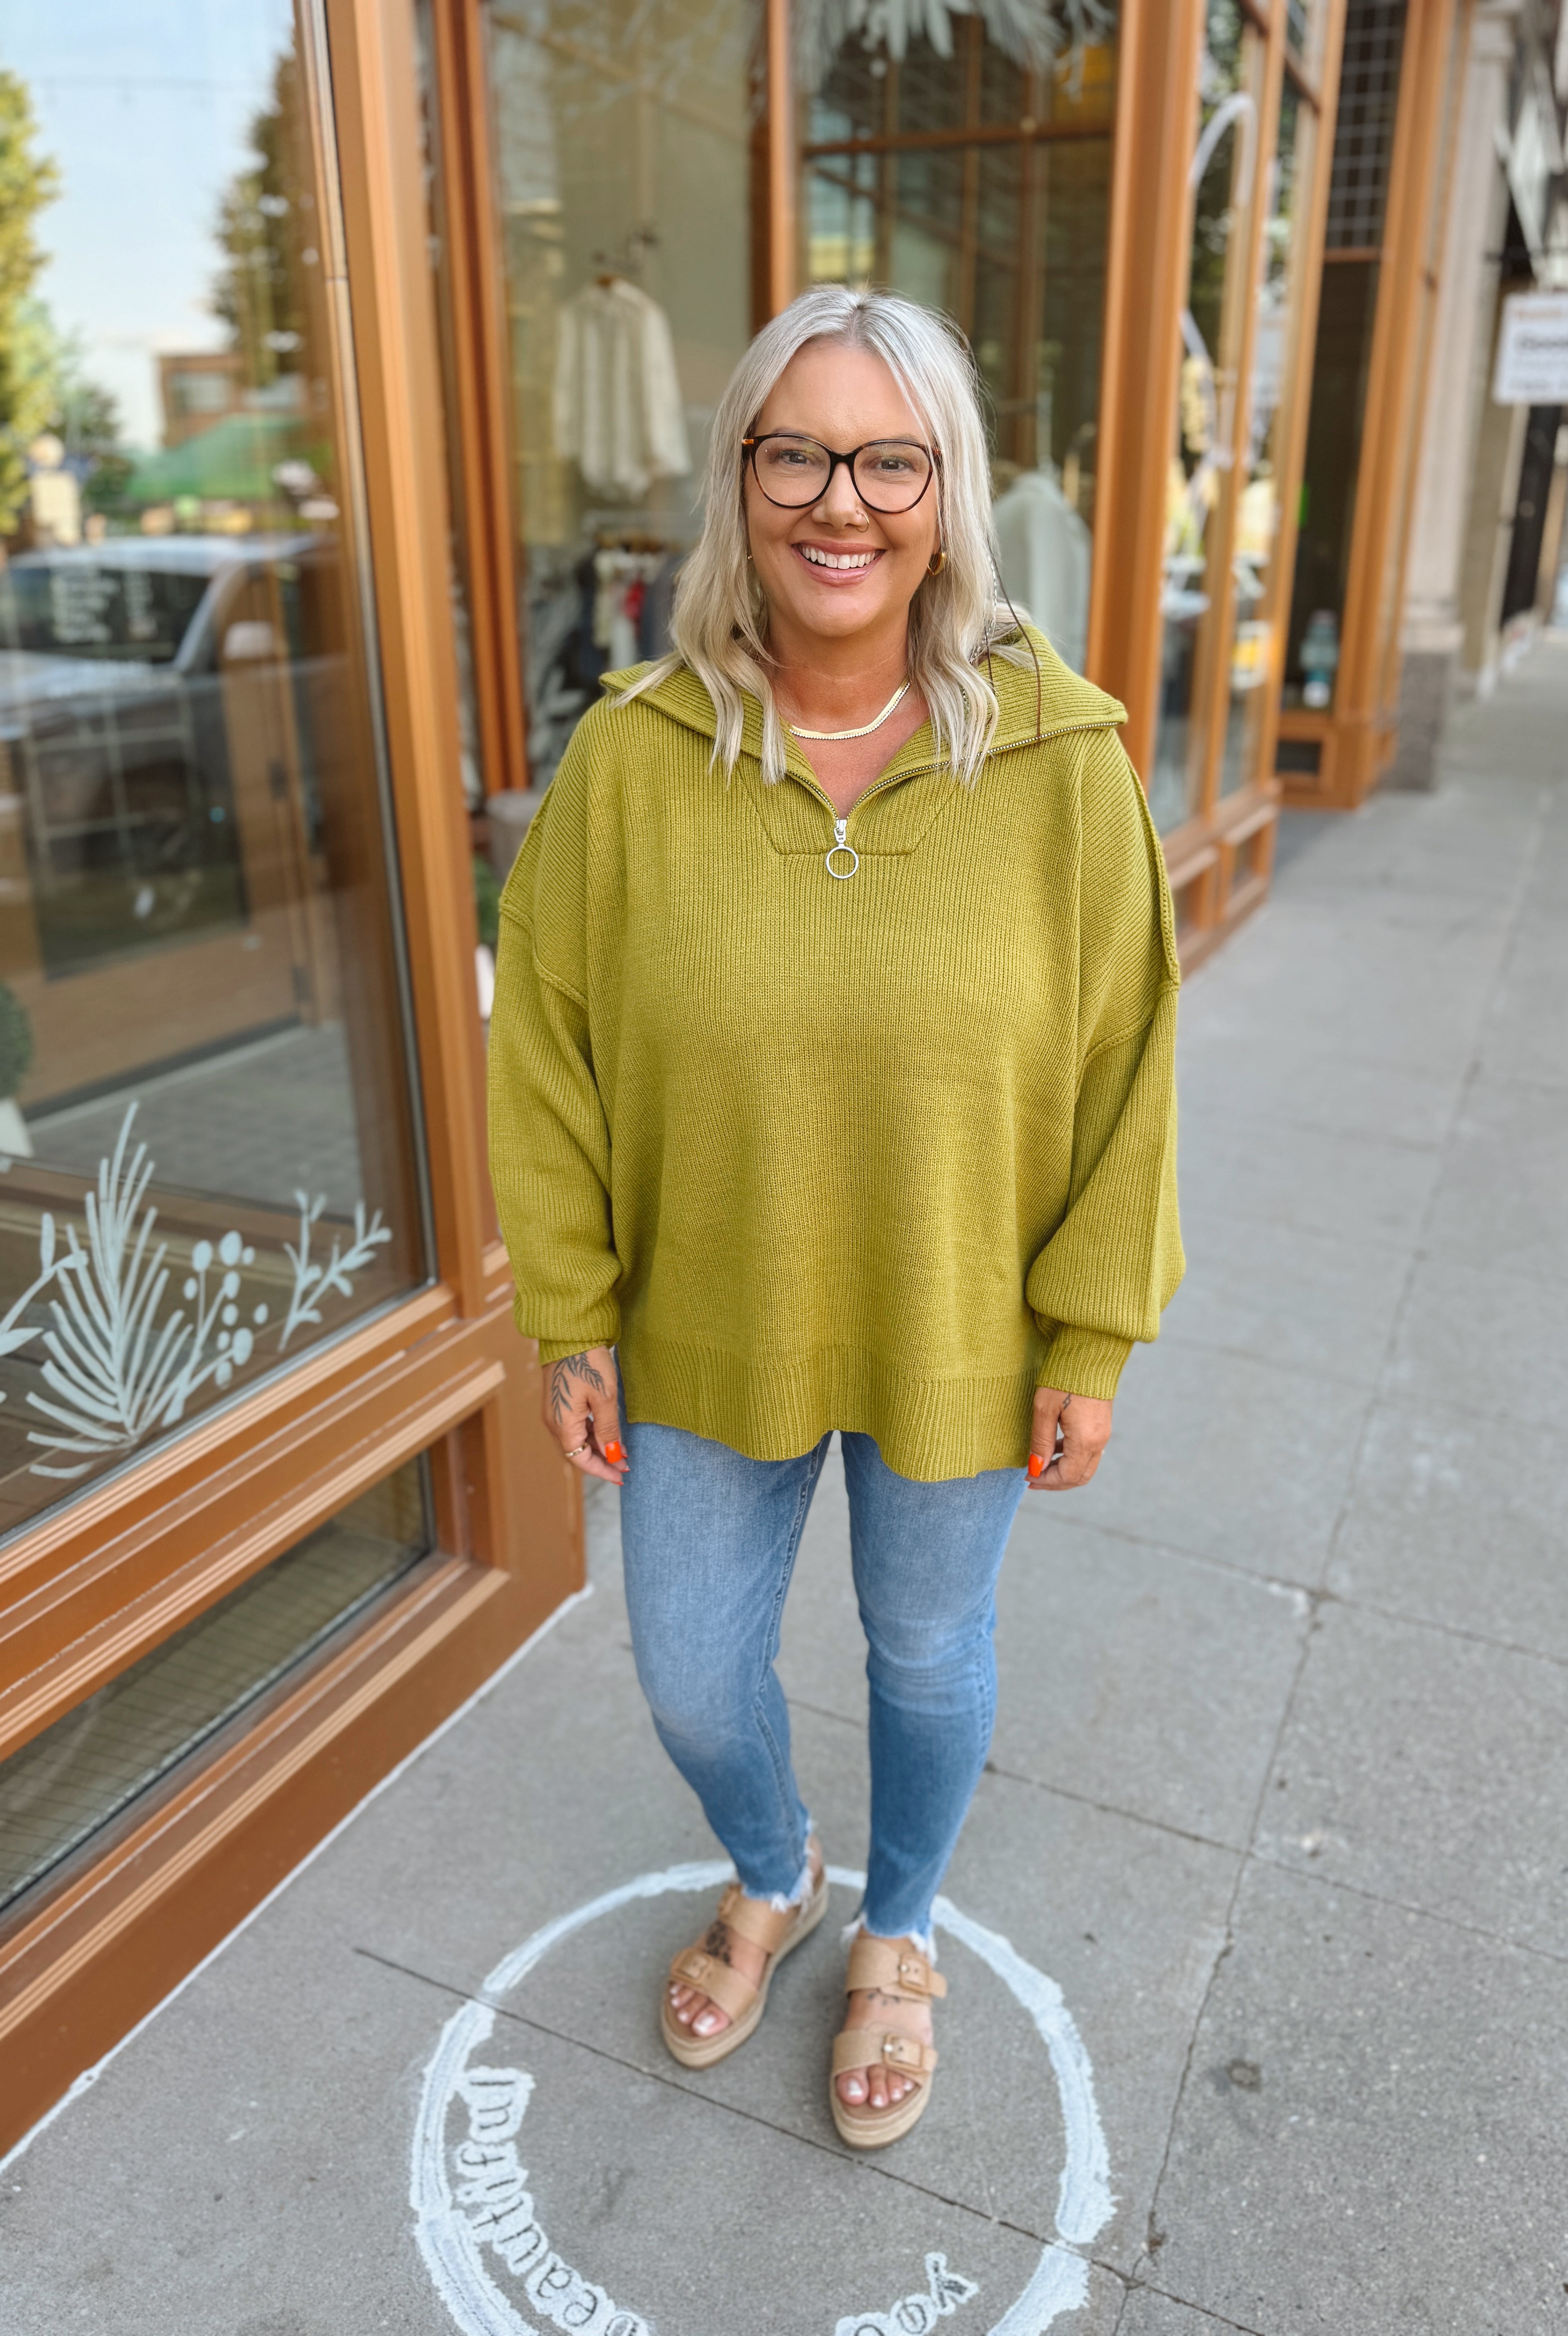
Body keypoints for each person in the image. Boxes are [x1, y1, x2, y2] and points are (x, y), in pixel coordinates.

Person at [487, 285, 1182, 2151]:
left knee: (925, 1657)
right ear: (743, 479)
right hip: (709, 1311)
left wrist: (1093, 1334)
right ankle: (775, 1861)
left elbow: (1130, 1066)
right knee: (695, 1668)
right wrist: (572, 1312)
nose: (841, 502)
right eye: (797, 452)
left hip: (963, 1315)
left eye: (890, 458)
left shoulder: (1058, 756)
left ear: (945, 489)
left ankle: (898, 1931)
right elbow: (544, 1057)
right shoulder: (634, 760)